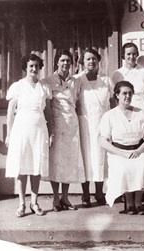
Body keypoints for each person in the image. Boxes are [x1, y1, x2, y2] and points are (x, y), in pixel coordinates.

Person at [5, 54, 52, 217]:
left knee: (36, 167)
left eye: (37, 66)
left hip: (39, 131)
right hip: (21, 131)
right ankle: (21, 204)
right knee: (21, 167)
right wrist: (9, 134)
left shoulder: (44, 88)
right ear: (25, 67)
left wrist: (51, 132)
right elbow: (10, 113)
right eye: (31, 66)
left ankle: (34, 202)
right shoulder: (17, 86)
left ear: (40, 68)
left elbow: (48, 113)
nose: (34, 69)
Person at [100, 81, 144, 215]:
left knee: (143, 163)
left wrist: (139, 151)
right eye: (124, 93)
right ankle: (129, 202)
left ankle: (138, 202)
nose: (127, 96)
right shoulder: (109, 115)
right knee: (124, 167)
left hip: (138, 150)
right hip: (118, 152)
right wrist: (122, 153)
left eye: (130, 93)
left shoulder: (141, 113)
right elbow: (103, 141)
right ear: (117, 95)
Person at [42, 50, 85, 211]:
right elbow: (46, 107)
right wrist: (50, 129)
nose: (66, 63)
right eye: (62, 61)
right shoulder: (47, 82)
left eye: (68, 61)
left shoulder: (76, 82)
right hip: (56, 125)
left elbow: (78, 103)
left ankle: (65, 198)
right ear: (56, 63)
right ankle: (55, 198)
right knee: (56, 162)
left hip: (72, 126)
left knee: (68, 162)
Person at [75, 48, 114, 207]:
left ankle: (99, 192)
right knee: (85, 158)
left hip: (102, 124)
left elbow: (113, 102)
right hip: (84, 124)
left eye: (94, 59)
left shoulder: (106, 80)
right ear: (82, 62)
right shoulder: (78, 80)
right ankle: (85, 194)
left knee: (100, 158)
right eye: (88, 59)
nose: (91, 62)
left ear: (98, 61)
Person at [112, 42, 144, 110]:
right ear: (123, 55)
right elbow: (114, 96)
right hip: (123, 110)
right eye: (128, 54)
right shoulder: (117, 74)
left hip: (141, 108)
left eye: (134, 54)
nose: (132, 57)